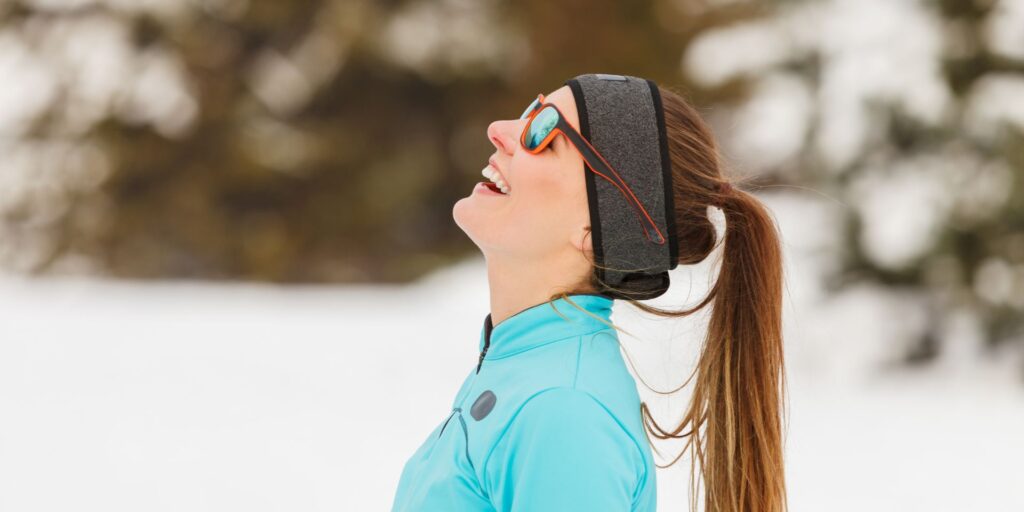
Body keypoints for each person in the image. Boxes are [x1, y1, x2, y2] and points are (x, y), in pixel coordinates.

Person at [391, 73, 788, 512]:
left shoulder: (563, 410)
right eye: (530, 111)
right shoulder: (523, 363)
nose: (499, 130)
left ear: (596, 230)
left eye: (543, 133)